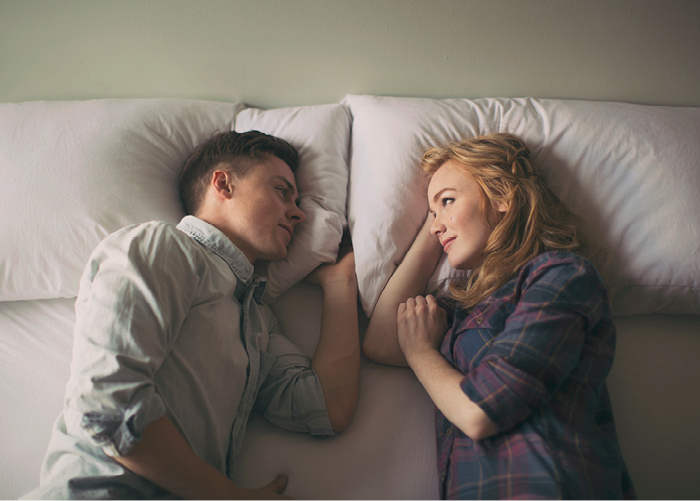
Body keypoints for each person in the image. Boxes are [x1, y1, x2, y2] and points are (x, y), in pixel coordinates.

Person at [25, 130, 360, 499]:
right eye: (282, 191)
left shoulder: (256, 317)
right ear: (223, 184)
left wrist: (341, 284)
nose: (297, 213)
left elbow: (326, 407)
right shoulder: (162, 246)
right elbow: (109, 404)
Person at [363, 133, 635, 499]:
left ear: (503, 194)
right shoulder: (463, 310)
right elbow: (382, 339)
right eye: (432, 213)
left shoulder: (562, 275)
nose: (434, 225)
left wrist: (421, 353)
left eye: (447, 200)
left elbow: (481, 412)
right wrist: (440, 223)